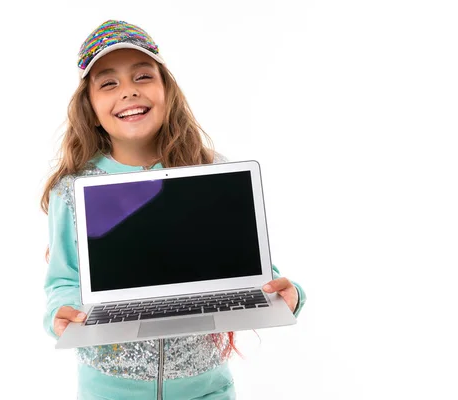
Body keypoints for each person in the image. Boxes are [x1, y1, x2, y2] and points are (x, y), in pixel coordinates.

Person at [40, 19, 307, 400]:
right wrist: (60, 312)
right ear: (90, 104)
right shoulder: (72, 190)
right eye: (109, 83)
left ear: (166, 88)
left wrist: (287, 292)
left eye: (143, 76)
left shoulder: (211, 171)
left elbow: (249, 269)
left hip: (206, 388)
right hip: (109, 390)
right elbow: (62, 280)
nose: (129, 92)